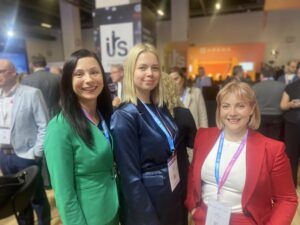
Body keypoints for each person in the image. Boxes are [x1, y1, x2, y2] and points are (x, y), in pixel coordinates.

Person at [186, 81, 297, 225]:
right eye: (226, 106)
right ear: (219, 109)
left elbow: (286, 199)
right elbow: (192, 174)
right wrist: (193, 208)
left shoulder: (272, 149)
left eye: (240, 106)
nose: (232, 113)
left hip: (245, 220)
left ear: (251, 109)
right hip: (205, 217)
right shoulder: (203, 137)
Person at [111, 43, 185, 225]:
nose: (150, 73)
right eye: (142, 67)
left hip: (170, 195)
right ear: (131, 72)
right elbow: (130, 178)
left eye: (155, 68)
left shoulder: (160, 108)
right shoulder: (124, 116)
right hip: (149, 205)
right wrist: (147, 219)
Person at [43, 49, 119, 225]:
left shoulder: (105, 115)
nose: (89, 79)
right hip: (88, 216)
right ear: (68, 81)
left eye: (94, 72)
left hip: (113, 209)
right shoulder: (59, 127)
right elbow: (63, 192)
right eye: (79, 74)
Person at [0, 59, 51, 225]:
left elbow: (44, 125)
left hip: (26, 155)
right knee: (17, 198)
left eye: (1, 71)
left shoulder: (31, 93)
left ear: (13, 72)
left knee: (37, 197)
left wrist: (36, 152)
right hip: (4, 157)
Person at [162, 72, 197, 225]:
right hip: (181, 169)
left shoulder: (146, 116)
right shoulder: (183, 113)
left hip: (158, 174)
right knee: (181, 214)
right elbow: (193, 142)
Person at [22, 54, 60, 118]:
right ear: (45, 63)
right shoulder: (57, 77)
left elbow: (25, 101)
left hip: (36, 115)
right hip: (56, 113)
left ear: (31, 64)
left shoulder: (25, 80)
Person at [252, 65, 285, 141]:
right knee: (275, 140)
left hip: (260, 117)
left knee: (260, 139)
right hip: (278, 116)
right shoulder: (282, 86)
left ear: (261, 75)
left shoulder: (255, 87)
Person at [280, 72, 300, 186]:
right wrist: (291, 104)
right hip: (292, 124)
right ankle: (292, 183)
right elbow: (283, 105)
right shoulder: (290, 87)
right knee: (292, 155)